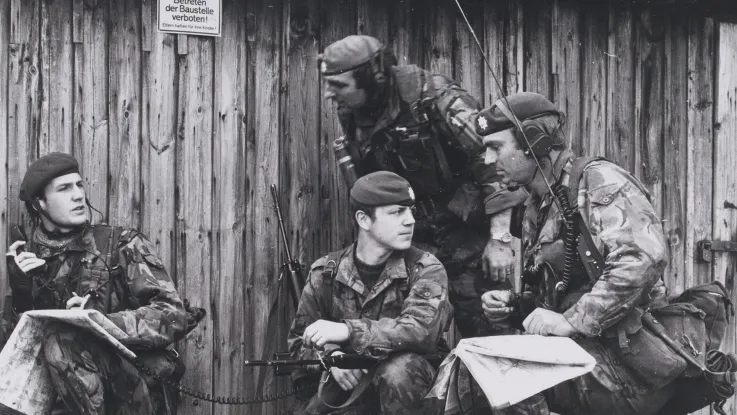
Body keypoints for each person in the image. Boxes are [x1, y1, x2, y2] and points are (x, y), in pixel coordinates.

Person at [476, 92, 677, 414]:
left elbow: (642, 258)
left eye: (496, 147)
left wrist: (573, 320)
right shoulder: (538, 204)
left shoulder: (597, 181)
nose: (487, 160)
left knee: (508, 386)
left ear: (535, 143)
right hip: (586, 356)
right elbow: (561, 293)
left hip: (630, 365)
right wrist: (515, 306)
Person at [319, 35, 526, 338]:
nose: (328, 94)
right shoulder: (352, 111)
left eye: (338, 85)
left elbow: (490, 160)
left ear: (372, 78)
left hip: (468, 236)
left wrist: (500, 240)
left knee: (492, 333)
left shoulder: (435, 96)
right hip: (413, 240)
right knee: (408, 336)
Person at [0, 153, 204, 415]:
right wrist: (20, 294)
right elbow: (13, 357)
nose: (78, 196)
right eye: (64, 189)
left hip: (127, 391)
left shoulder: (121, 243)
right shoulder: (28, 260)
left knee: (62, 340)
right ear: (39, 203)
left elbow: (172, 313)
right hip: (49, 398)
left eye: (79, 185)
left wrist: (100, 320)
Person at [288, 171, 453, 414]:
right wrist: (331, 358)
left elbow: (421, 331)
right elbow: (299, 341)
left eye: (410, 211)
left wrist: (347, 331)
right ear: (364, 220)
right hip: (350, 390)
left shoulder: (424, 268)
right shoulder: (326, 273)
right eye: (397, 212)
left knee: (397, 370)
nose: (410, 220)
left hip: (412, 394)